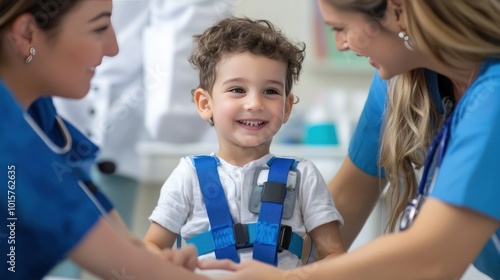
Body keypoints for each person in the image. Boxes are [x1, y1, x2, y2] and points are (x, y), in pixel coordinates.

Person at [198, 0, 500, 279]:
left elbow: (433, 258)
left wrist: (289, 278)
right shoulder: (400, 81)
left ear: (397, 9)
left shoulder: (493, 96)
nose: (341, 44)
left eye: (341, 29)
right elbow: (343, 204)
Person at [0, 0, 214, 279]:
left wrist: (154, 259)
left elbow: (117, 239)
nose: (113, 48)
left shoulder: (39, 115)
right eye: (99, 27)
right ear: (28, 33)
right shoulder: (12, 139)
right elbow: (125, 267)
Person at [143, 16, 346, 269]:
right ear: (205, 104)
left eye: (270, 91)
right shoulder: (188, 176)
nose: (255, 104)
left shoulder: (302, 175)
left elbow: (335, 256)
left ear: (286, 107)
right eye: (237, 90)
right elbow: (151, 247)